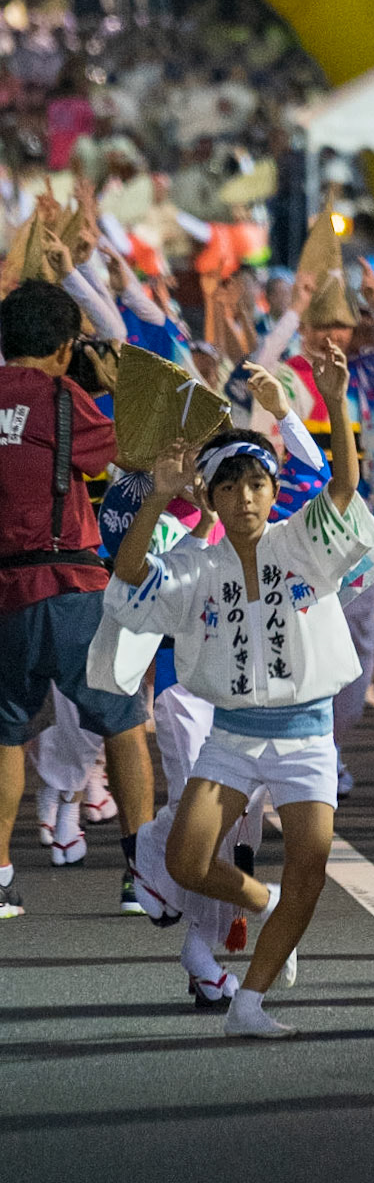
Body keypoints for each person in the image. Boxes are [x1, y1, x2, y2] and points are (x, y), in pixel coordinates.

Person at [105, 344, 374, 1038]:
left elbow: (341, 491)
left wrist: (329, 405)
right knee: (186, 859)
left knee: (312, 861)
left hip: (304, 732)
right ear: (208, 497)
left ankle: (251, 1001)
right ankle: (261, 902)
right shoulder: (194, 565)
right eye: (229, 488)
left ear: (273, 493)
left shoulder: (304, 544)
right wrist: (155, 494)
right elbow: (129, 579)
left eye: (256, 486)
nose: (244, 500)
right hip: (233, 733)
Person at [0, 279, 155, 921]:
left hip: (3, 592)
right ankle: (141, 875)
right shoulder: (64, 399)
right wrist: (118, 388)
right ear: (66, 349)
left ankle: (1, 879)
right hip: (70, 586)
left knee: (6, 732)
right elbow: (126, 456)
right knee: (122, 721)